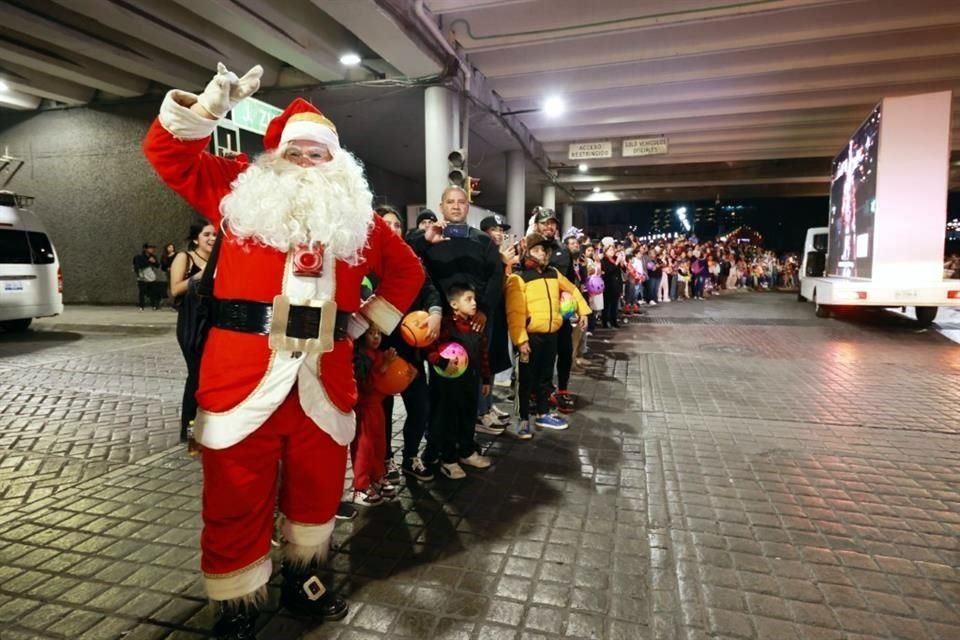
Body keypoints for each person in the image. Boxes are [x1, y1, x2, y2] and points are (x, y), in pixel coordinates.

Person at [143, 63, 424, 638]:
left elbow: (407, 270)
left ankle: (305, 581)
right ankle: (238, 605)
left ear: (338, 163)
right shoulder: (235, 191)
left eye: (318, 155)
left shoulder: (361, 221)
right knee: (235, 498)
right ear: (272, 157)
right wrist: (206, 110)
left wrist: (362, 323)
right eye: (296, 153)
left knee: (318, 494)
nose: (307, 163)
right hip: (241, 378)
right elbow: (166, 155)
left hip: (324, 380)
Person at [408, 186, 504, 461]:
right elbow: (407, 254)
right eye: (450, 202)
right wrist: (426, 240)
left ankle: (465, 444)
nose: (456, 206)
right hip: (440, 325)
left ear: (468, 206)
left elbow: (496, 277)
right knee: (441, 392)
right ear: (441, 206)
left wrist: (483, 309)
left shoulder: (481, 241)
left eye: (461, 202)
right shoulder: (428, 237)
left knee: (468, 390)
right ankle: (440, 449)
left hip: (473, 324)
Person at [374, 205, 442, 482]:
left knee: (419, 406)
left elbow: (429, 291)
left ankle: (410, 457)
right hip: (380, 350)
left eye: (396, 225)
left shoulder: (412, 261)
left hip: (411, 351)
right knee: (382, 411)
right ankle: (385, 459)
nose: (392, 229)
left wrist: (435, 313)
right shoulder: (368, 262)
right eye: (385, 224)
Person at [504, 233, 589, 436]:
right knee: (525, 380)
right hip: (530, 337)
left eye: (544, 250)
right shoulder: (519, 277)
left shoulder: (553, 273)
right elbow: (515, 313)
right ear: (527, 252)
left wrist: (583, 310)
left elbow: (573, 290)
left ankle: (543, 414)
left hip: (551, 335)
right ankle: (523, 419)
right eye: (536, 250)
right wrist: (521, 340)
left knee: (544, 378)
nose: (541, 254)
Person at [424, 283, 493, 479]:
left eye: (474, 299)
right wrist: (441, 361)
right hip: (447, 385)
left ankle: (467, 451)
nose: (474, 304)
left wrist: (486, 378)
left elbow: (483, 353)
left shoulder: (476, 326)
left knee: (468, 416)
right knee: (448, 420)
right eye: (468, 299)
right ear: (454, 304)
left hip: (470, 382)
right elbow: (430, 347)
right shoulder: (445, 325)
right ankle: (448, 458)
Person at [168, 221, 217, 442]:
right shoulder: (184, 257)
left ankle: (206, 426)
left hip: (213, 323)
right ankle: (188, 431)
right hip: (190, 323)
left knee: (209, 377)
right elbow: (175, 289)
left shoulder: (218, 260)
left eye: (215, 235)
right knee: (196, 376)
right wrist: (203, 274)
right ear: (196, 239)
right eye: (206, 234)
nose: (212, 238)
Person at [351, 327, 399, 506]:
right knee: (364, 447)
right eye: (372, 333)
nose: (376, 337)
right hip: (365, 409)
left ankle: (377, 476)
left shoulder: (379, 354)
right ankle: (361, 485)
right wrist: (385, 366)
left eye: (379, 333)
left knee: (379, 445)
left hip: (377, 406)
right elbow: (367, 386)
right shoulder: (360, 357)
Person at [132, 242, 161, 310]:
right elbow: (140, 266)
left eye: (153, 248)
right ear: (145, 249)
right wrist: (149, 261)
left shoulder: (153, 256)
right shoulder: (139, 257)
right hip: (142, 277)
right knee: (142, 292)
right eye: (150, 248)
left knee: (153, 292)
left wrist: (154, 262)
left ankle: (154, 305)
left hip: (151, 277)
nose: (152, 249)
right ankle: (141, 306)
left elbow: (157, 265)